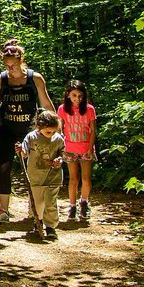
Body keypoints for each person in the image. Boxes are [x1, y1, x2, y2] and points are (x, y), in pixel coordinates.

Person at [0, 38, 54, 223]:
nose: (10, 69)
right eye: (7, 65)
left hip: (29, 130)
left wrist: (56, 125)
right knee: (3, 168)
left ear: (21, 61)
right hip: (5, 129)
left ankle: (34, 207)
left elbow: (45, 102)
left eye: (13, 65)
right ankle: (3, 209)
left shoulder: (35, 79)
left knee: (34, 168)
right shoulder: (0, 80)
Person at [18, 109, 65, 239]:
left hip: (53, 177)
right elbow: (24, 153)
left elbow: (63, 153)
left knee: (50, 202)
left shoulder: (58, 139)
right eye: (48, 131)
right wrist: (20, 150)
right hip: (35, 177)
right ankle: (37, 223)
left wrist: (59, 160)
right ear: (39, 126)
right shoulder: (31, 137)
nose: (51, 134)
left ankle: (51, 227)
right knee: (37, 202)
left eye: (53, 131)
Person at [57, 79, 97, 220]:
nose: (77, 99)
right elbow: (59, 128)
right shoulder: (62, 109)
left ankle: (84, 202)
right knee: (73, 179)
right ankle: (72, 206)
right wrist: (62, 148)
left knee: (86, 179)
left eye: (80, 96)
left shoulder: (89, 109)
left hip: (85, 148)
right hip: (70, 148)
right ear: (68, 95)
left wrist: (91, 148)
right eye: (74, 95)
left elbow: (93, 130)